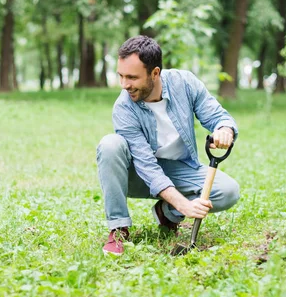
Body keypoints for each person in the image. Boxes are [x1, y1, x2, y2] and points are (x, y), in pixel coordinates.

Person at [97, 36, 240, 256]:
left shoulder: (185, 83)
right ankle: (118, 229)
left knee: (228, 191)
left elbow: (216, 115)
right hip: (137, 174)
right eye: (121, 76)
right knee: (110, 145)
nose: (125, 85)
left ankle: (166, 213)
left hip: (180, 168)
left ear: (155, 73)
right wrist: (184, 204)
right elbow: (148, 168)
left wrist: (224, 129)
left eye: (132, 77)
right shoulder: (123, 108)